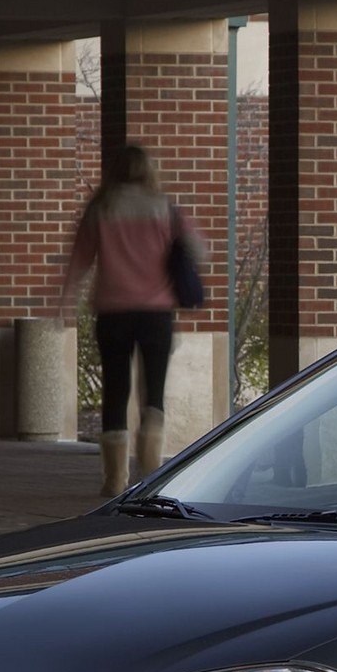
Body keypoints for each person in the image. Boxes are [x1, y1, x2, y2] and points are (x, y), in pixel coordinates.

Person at [65, 144, 202, 497]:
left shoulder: (101, 208)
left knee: (115, 390)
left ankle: (114, 480)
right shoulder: (165, 208)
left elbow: (78, 261)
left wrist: (63, 303)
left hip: (112, 312)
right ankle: (151, 475)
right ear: (148, 170)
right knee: (152, 393)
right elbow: (198, 250)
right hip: (156, 312)